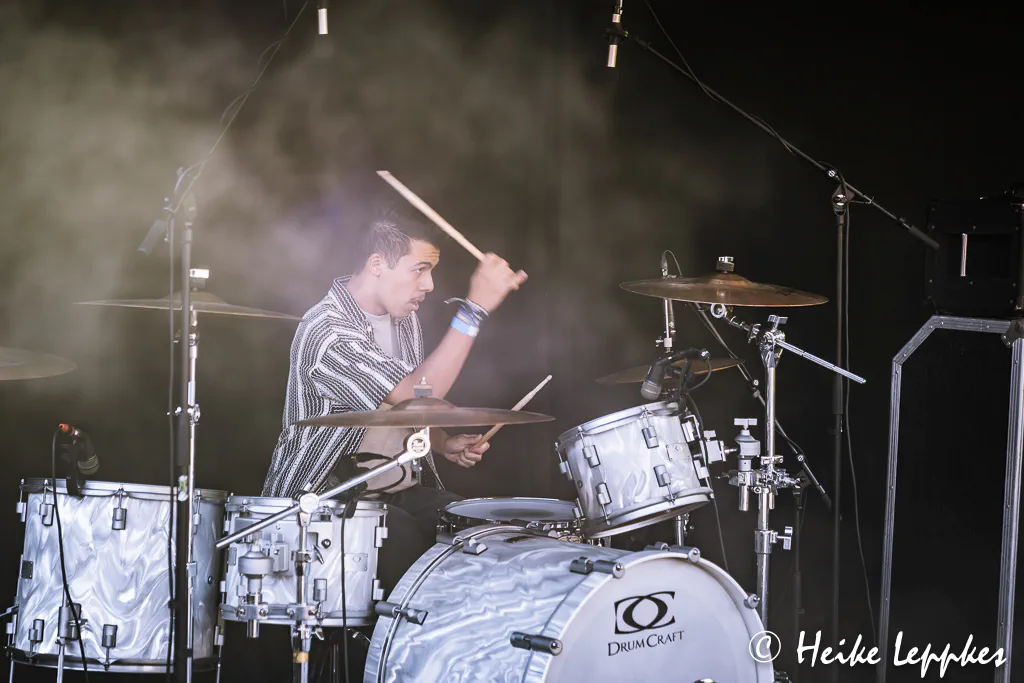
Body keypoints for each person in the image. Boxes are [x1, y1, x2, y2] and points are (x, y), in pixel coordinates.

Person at [261, 206, 528, 590]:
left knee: (477, 531)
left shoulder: (405, 321)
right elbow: (418, 388)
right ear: (377, 264)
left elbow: (413, 404)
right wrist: (474, 310)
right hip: (325, 501)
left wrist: (443, 442)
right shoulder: (327, 330)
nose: (429, 285)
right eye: (419, 269)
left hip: (398, 491)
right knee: (406, 543)